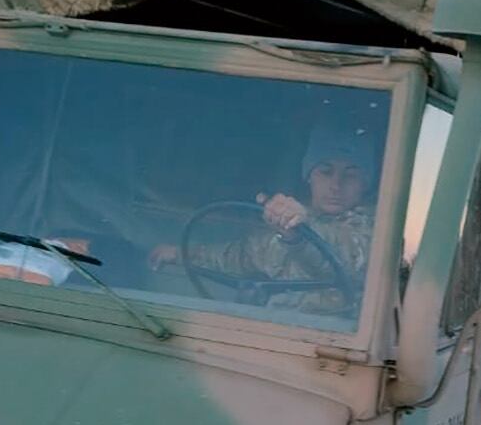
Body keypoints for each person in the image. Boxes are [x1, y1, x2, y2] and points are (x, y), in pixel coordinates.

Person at [150, 125, 376, 314]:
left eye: (350, 175)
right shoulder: (283, 223)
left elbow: (349, 256)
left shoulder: (377, 229)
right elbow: (238, 256)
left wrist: (300, 233)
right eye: (325, 172)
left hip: (332, 345)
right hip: (268, 335)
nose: (336, 185)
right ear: (309, 177)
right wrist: (180, 254)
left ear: (365, 184)